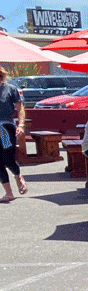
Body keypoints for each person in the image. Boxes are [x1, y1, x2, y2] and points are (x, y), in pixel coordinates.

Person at [0, 66, 27, 200]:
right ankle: (9, 193)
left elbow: (20, 108)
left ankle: (18, 177)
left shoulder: (10, 89)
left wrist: (21, 125)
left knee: (8, 159)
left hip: (5, 128)